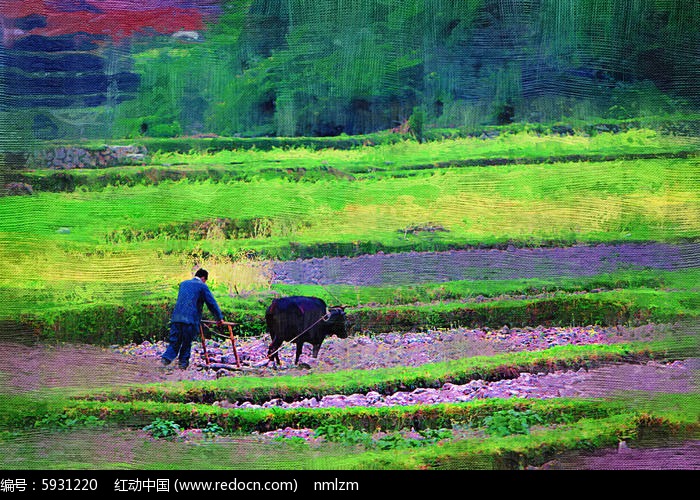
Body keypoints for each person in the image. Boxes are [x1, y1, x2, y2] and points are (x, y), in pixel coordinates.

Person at [161, 268, 223, 369]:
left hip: (176, 318)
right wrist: (219, 318)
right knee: (186, 342)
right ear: (203, 278)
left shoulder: (184, 284)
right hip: (190, 320)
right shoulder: (202, 286)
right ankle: (182, 365)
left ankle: (164, 361)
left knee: (174, 342)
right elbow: (211, 303)